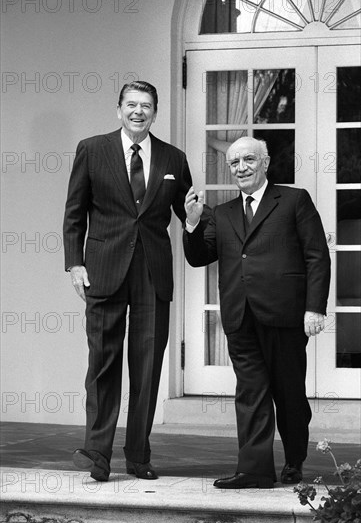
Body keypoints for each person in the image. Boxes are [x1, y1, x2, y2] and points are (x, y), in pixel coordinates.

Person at [63, 81, 193, 482]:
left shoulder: (174, 157)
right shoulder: (92, 149)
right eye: (132, 105)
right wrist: (74, 264)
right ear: (118, 109)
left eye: (147, 106)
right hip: (103, 268)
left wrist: (191, 218)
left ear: (156, 112)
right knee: (103, 363)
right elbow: (74, 212)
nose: (139, 112)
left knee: (147, 366)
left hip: (153, 274)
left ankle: (138, 455)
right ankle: (98, 452)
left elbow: (186, 213)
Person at [183, 136, 330, 489]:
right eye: (234, 163)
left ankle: (294, 461)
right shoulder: (224, 213)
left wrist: (314, 308)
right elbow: (200, 256)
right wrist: (191, 224)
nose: (241, 168)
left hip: (284, 315)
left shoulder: (294, 200)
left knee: (289, 393)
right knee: (250, 394)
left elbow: (317, 256)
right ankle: (255, 470)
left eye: (248, 160)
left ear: (264, 163)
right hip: (239, 317)